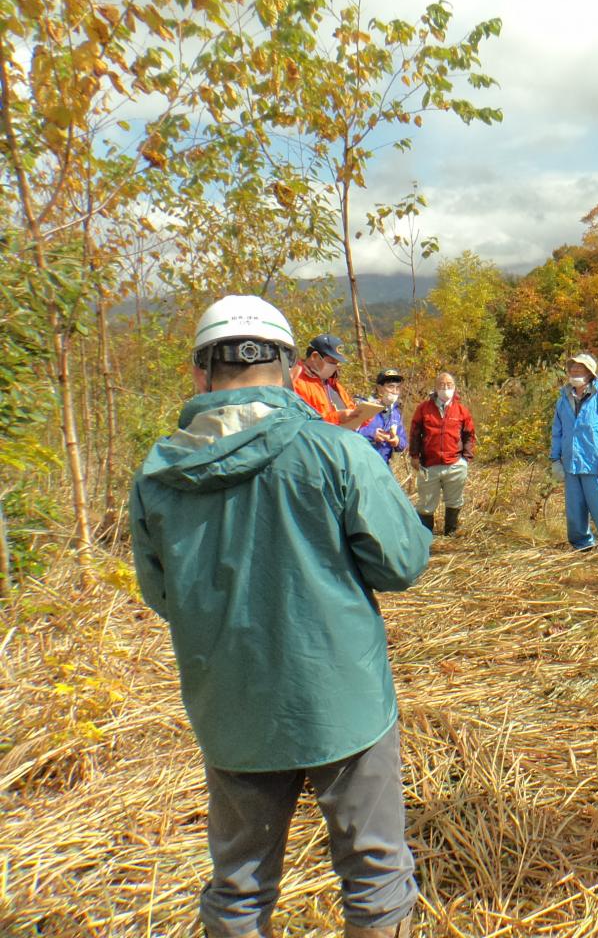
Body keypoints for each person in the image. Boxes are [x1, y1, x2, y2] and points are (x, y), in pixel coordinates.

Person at [130, 295, 430, 938]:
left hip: (231, 707)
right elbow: (402, 562)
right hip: (342, 702)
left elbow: (162, 594)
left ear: (200, 375)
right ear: (292, 367)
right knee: (375, 877)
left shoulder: (158, 477)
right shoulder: (337, 453)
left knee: (239, 886)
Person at [550, 353, 598, 552]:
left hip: (596, 465)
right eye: (572, 368)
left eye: (580, 368)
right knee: (574, 510)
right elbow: (557, 432)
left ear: (590, 373)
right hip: (571, 464)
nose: (575, 371)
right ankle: (581, 545)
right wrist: (555, 459)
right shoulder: (563, 400)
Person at [408, 372, 477, 536]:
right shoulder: (423, 408)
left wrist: (466, 458)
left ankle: (450, 534)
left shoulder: (461, 410)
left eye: (449, 385)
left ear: (454, 388)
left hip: (454, 464)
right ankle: (425, 536)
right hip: (429, 464)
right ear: (435, 387)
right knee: (426, 504)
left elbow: (469, 434)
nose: (445, 388)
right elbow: (415, 433)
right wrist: (414, 456)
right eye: (441, 385)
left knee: (454, 501)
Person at [291, 334, 359, 425]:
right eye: (331, 362)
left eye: (337, 363)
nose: (335, 367)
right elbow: (303, 421)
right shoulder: (297, 381)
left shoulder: (332, 384)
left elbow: (350, 407)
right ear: (314, 356)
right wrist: (337, 417)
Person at [358, 368, 408, 465]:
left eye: (397, 388)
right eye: (391, 387)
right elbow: (350, 431)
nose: (394, 391)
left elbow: (404, 443)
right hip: (363, 462)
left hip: (383, 464)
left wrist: (397, 441)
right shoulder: (366, 406)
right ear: (379, 388)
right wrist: (372, 434)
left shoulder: (396, 413)